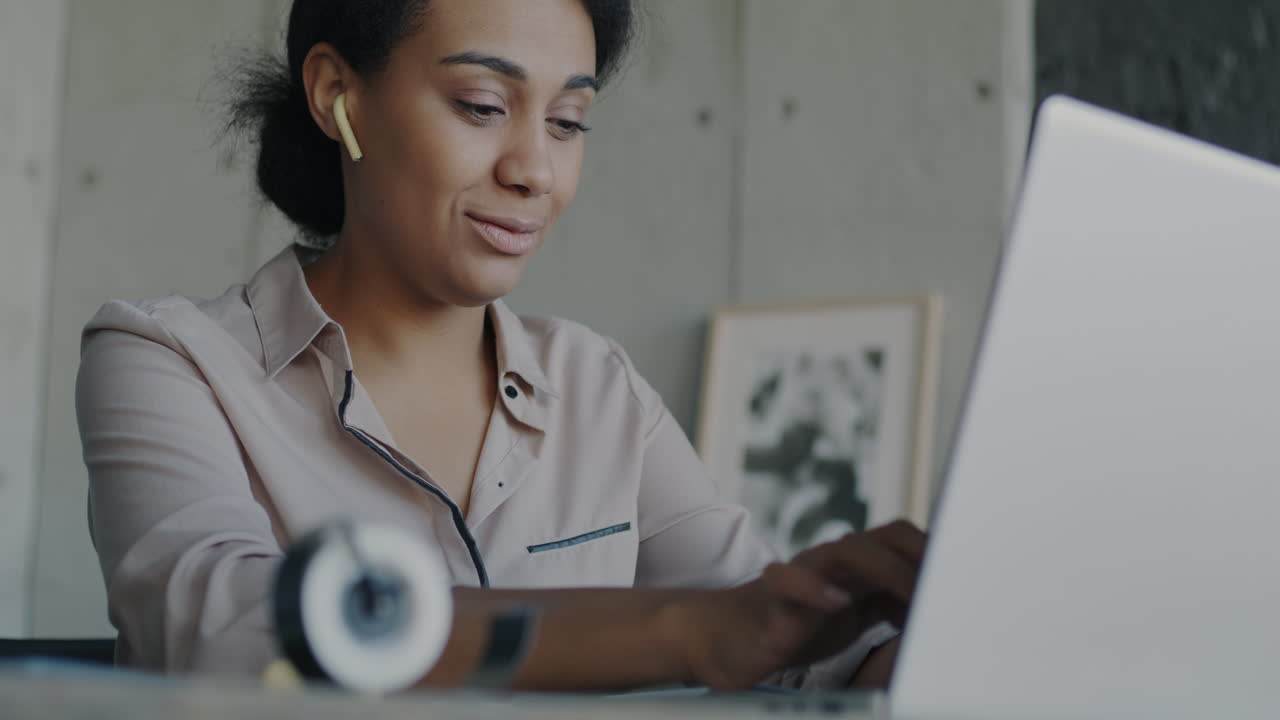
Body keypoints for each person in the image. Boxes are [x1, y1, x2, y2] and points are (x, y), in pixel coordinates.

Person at [76, 0, 925, 691]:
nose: (536, 171)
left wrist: (928, 638)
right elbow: (226, 637)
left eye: (567, 121)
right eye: (483, 106)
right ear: (338, 93)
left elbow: (798, 658)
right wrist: (690, 633)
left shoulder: (597, 387)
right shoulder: (168, 361)